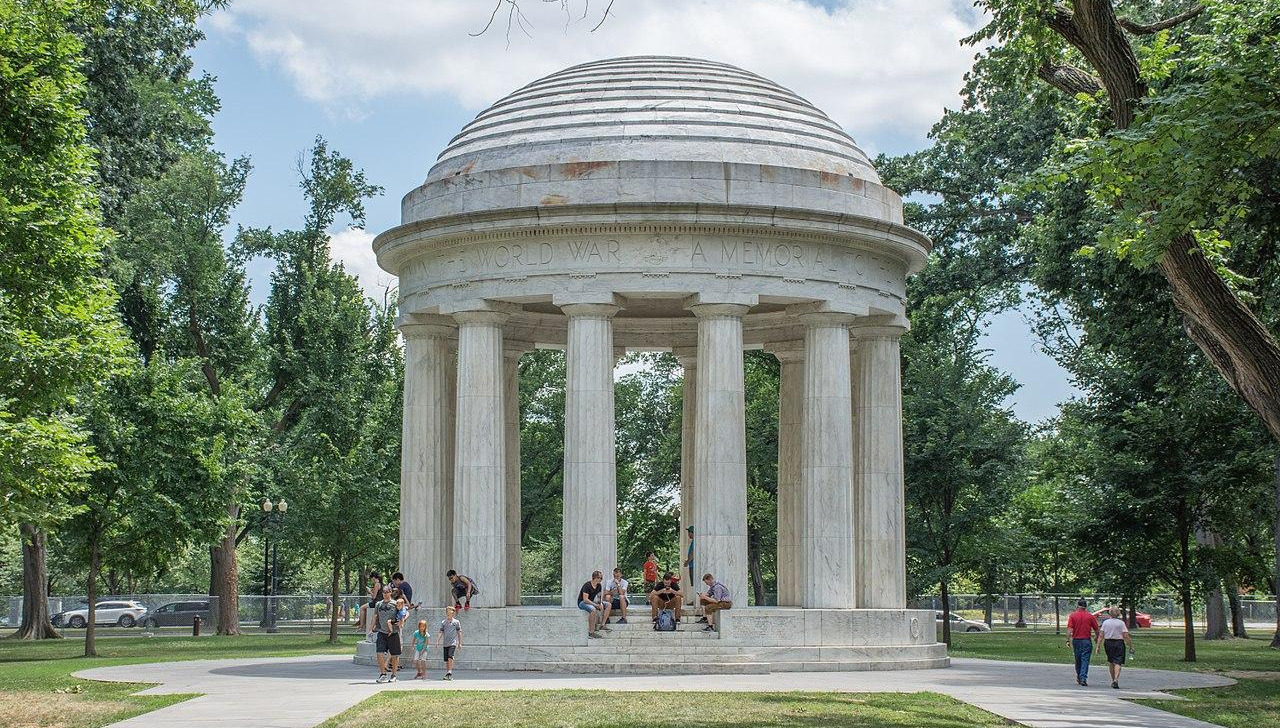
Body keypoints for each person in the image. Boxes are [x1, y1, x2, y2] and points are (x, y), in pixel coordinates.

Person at [1065, 599, 1101, 686]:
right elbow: (1096, 629)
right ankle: (1083, 678)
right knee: (1085, 659)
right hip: (1086, 640)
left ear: (1078, 605)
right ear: (1086, 606)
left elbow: (1070, 629)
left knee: (1078, 659)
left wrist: (1067, 639)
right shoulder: (1090, 616)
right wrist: (1096, 637)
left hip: (1076, 640)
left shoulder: (1073, 616)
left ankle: (1079, 676)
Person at [1098, 607, 1133, 689]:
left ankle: (1113, 679)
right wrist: (1130, 645)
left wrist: (1098, 646)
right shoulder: (1121, 623)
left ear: (1110, 613)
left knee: (1111, 661)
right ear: (1118, 613)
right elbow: (1125, 635)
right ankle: (1116, 679)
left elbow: (1101, 635)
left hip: (1108, 643)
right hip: (1119, 643)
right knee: (1118, 662)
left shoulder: (1106, 623)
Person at [372, 587, 401, 683]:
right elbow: (375, 616)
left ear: (390, 592)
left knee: (395, 655)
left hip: (393, 633)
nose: (385, 594)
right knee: (379, 653)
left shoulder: (395, 603)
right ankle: (383, 674)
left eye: (387, 592)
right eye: (383, 592)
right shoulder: (378, 604)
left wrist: (400, 622)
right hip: (382, 632)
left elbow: (405, 613)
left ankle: (394, 675)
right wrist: (371, 628)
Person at [578, 570, 610, 638]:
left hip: (592, 602)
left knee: (608, 605)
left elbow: (599, 597)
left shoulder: (599, 586)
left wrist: (600, 603)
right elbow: (585, 599)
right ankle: (591, 632)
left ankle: (602, 625)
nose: (601, 579)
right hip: (582, 602)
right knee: (593, 609)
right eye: (599, 578)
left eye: (601, 578)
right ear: (594, 577)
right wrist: (595, 605)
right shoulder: (587, 585)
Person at [355, 570, 382, 640]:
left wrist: (369, 591)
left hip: (376, 602)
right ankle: (362, 624)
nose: (372, 580)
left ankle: (362, 625)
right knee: (364, 607)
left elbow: (374, 597)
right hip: (379, 602)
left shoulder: (377, 584)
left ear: (373, 578)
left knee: (362, 608)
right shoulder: (381, 584)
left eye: (372, 579)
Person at [438, 605, 463, 681]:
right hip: (445, 643)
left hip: (453, 643)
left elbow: (459, 632)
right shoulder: (443, 622)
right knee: (446, 660)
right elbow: (441, 632)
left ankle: (450, 671)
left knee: (450, 656)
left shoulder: (456, 622)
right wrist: (437, 641)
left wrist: (460, 643)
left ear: (453, 614)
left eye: (450, 613)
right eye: (447, 613)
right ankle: (448, 674)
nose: (448, 615)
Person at [683, 526, 695, 604]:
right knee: (693, 584)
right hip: (692, 565)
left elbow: (693, 553)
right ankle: (695, 600)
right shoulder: (693, 541)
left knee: (694, 583)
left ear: (692, 532)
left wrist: (687, 562)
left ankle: (695, 601)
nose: (688, 534)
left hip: (693, 566)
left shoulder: (695, 542)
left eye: (689, 532)